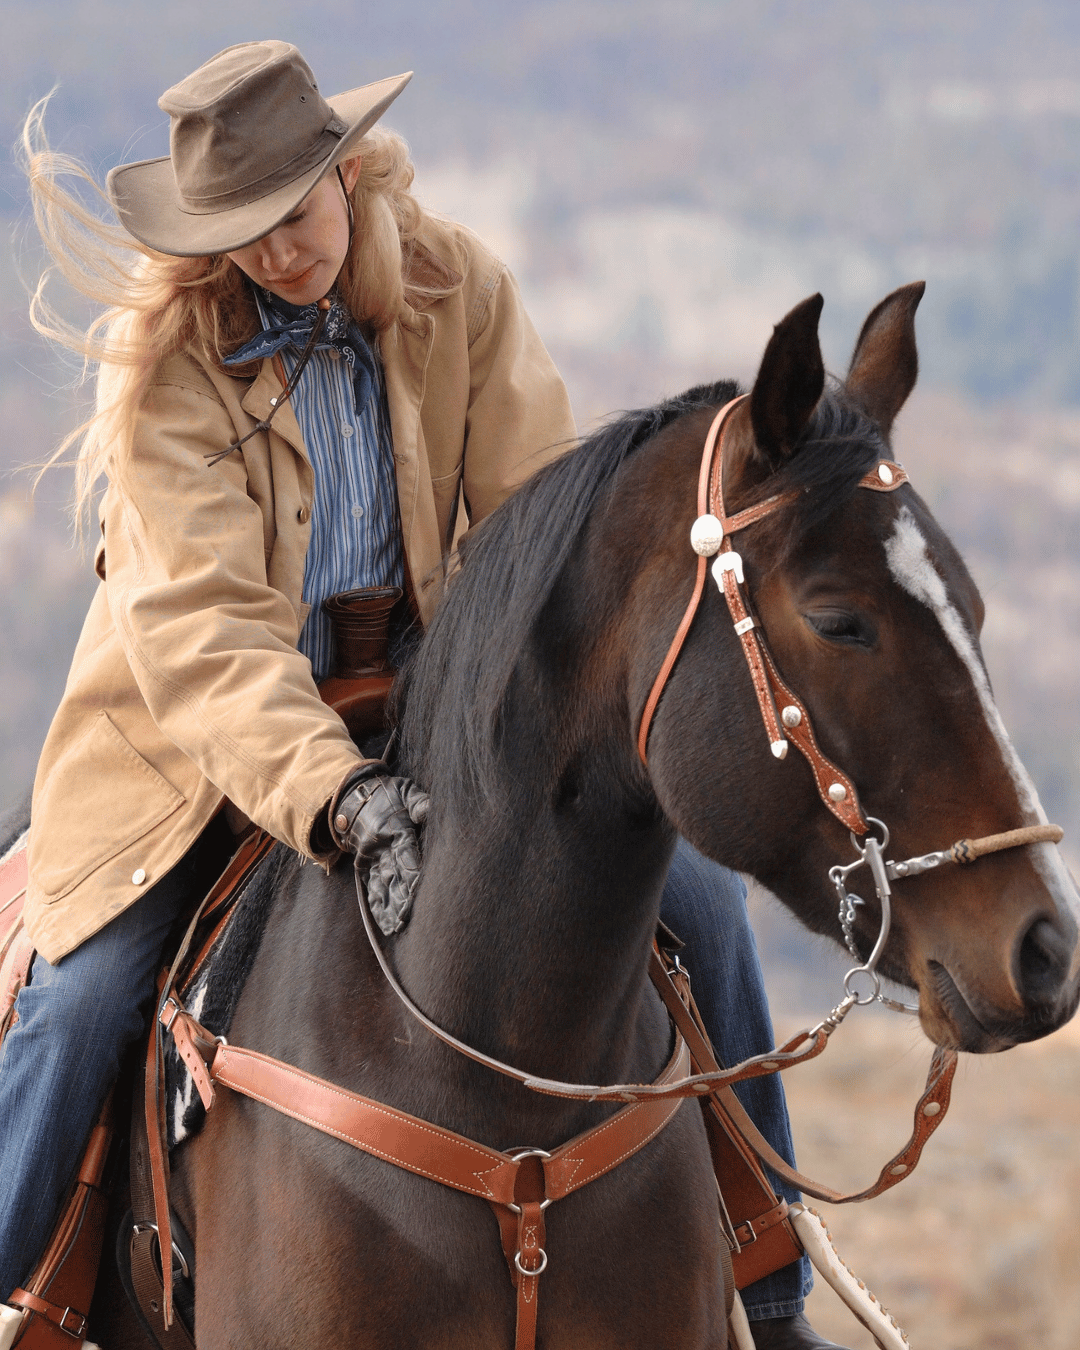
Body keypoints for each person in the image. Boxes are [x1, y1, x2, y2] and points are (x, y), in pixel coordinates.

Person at [1, 41, 845, 1349]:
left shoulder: (462, 289)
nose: (280, 253)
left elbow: (535, 536)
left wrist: (541, 743)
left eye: (296, 213)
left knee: (704, 911)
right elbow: (208, 643)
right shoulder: (169, 367)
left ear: (347, 172)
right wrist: (341, 803)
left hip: (451, 727)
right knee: (78, 1002)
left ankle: (773, 1286)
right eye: (246, 234)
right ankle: (24, 1293)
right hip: (209, 759)